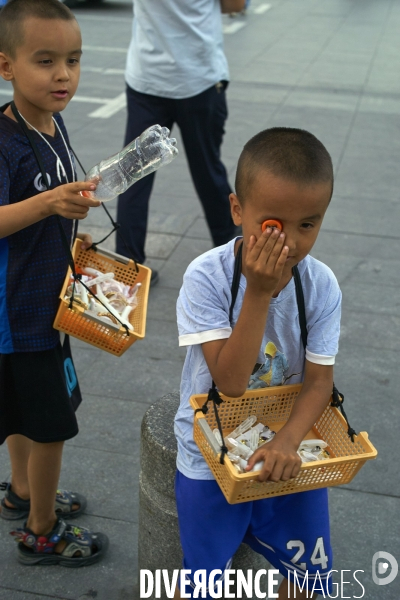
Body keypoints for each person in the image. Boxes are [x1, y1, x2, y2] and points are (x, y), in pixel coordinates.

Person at [174, 127, 341, 599]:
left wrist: (288, 440)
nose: (289, 242)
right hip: (211, 449)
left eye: (307, 225)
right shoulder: (207, 277)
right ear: (237, 210)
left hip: (289, 437)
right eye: (272, 226)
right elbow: (229, 383)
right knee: (203, 578)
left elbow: (318, 382)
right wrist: (260, 292)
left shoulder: (321, 285)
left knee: (310, 572)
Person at [0, 0, 108, 566]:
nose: (62, 74)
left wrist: (73, 236)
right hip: (20, 314)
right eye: (45, 61)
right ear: (6, 66)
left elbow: (55, 205)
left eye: (72, 60)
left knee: (24, 409)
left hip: (51, 297)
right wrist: (46, 204)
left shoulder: (51, 120)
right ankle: (42, 530)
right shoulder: (4, 140)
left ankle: (22, 490)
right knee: (50, 424)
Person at [116, 0, 245, 285]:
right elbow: (235, 4)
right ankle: (238, 259)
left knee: (134, 176)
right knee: (208, 172)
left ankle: (127, 265)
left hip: (147, 79)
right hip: (198, 79)